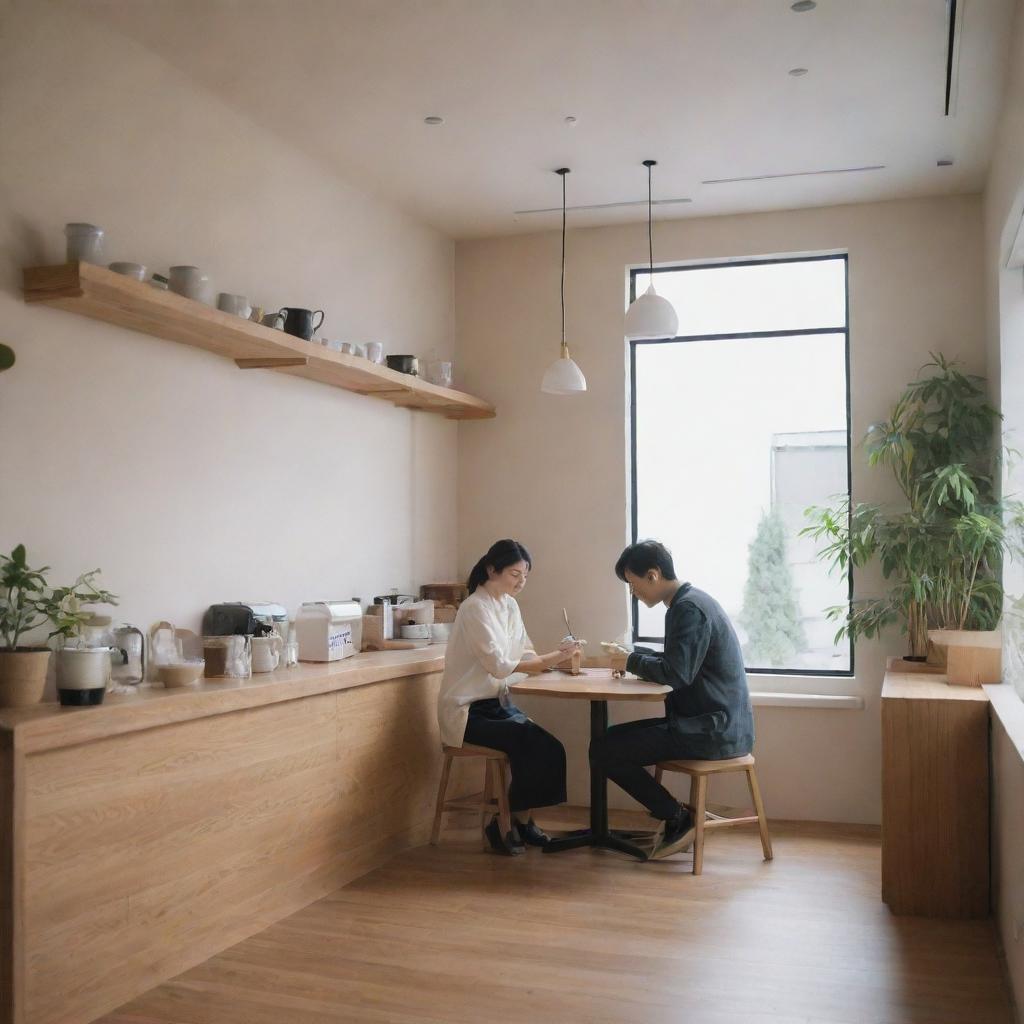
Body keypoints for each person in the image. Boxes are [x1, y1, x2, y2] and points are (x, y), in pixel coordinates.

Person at [589, 540, 754, 861]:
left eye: (633, 585)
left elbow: (677, 673)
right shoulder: (694, 601)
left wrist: (630, 661)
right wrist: (633, 656)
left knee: (604, 749)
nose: (633, 593)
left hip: (711, 731)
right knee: (606, 741)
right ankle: (674, 814)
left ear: (653, 575)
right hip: (716, 723)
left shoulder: (686, 609)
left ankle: (676, 816)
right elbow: (681, 662)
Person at [437, 539, 578, 855]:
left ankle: (518, 820)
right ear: (492, 569)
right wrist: (550, 659)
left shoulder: (510, 606)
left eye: (525, 576)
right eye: (515, 574)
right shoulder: (475, 608)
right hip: (468, 710)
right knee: (531, 742)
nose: (521, 582)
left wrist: (553, 657)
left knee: (549, 747)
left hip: (498, 704)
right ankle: (505, 823)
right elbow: (499, 666)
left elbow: (526, 651)